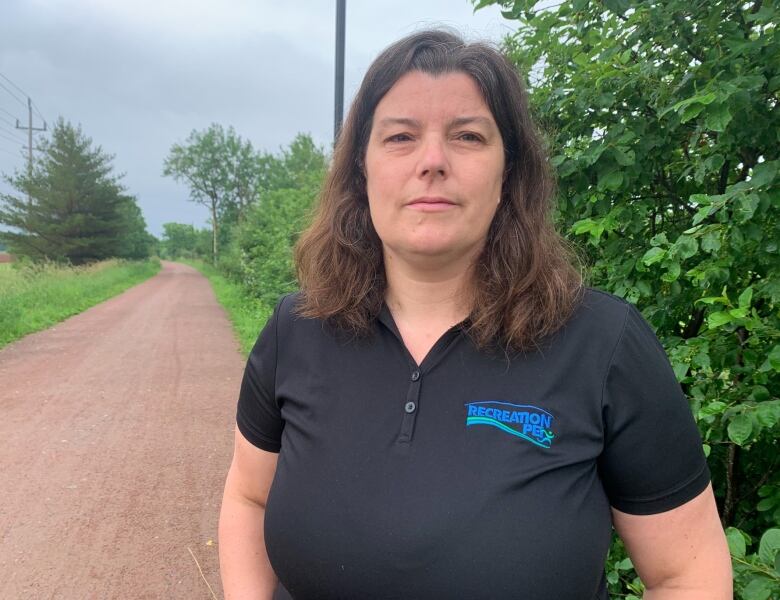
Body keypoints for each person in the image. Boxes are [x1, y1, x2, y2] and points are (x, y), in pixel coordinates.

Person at [218, 29, 732, 599]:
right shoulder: (298, 328)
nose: (432, 161)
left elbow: (687, 573)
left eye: (466, 136)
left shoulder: (603, 345)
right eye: (400, 136)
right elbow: (249, 496)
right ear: (361, 170)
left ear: (508, 173)